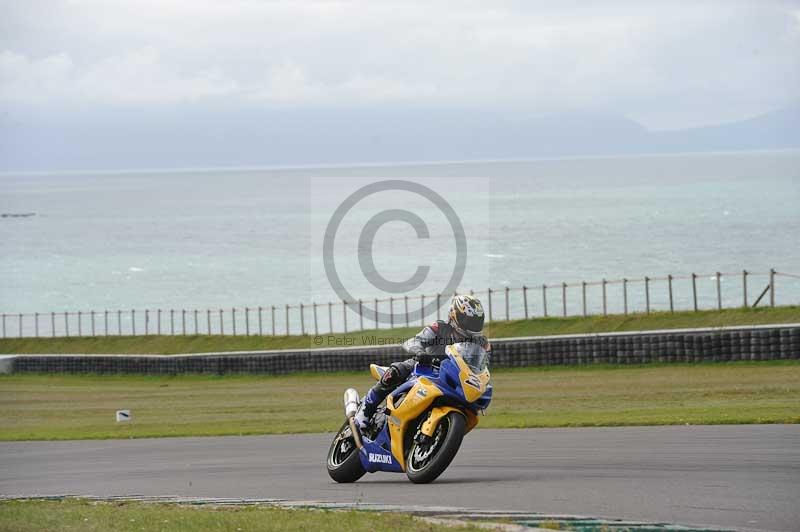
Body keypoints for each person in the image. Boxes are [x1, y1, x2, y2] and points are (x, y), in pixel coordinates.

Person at [353, 294, 490, 430]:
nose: (473, 325)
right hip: (426, 367)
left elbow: (481, 368)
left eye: (477, 321)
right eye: (469, 320)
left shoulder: (482, 343)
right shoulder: (440, 327)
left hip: (454, 377)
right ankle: (365, 409)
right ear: (455, 316)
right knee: (396, 371)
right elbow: (414, 341)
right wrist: (420, 352)